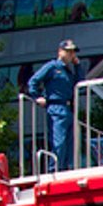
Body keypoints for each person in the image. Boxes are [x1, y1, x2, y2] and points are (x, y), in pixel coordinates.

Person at [25, 40, 83, 172]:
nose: (71, 54)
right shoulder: (52, 66)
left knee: (70, 143)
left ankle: (65, 169)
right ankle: (54, 169)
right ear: (60, 51)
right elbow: (33, 81)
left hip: (68, 108)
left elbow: (80, 83)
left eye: (73, 52)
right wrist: (37, 97)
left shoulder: (68, 71)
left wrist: (78, 65)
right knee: (59, 142)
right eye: (68, 51)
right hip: (56, 107)